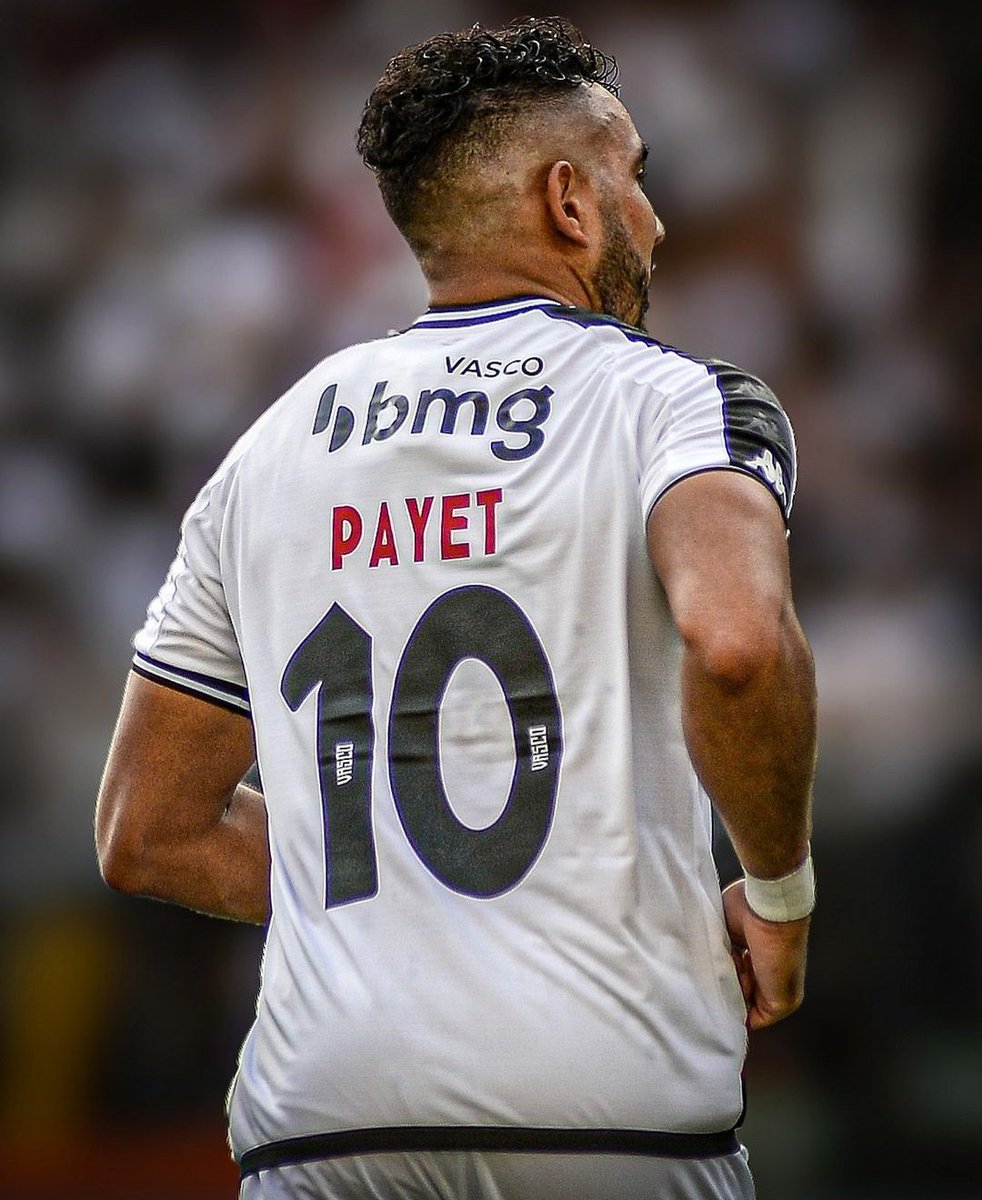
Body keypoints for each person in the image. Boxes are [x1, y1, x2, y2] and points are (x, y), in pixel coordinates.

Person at [95, 17, 817, 1200]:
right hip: (609, 1110)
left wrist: (403, 907)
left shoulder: (268, 446)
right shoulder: (677, 404)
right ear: (569, 201)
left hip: (323, 1121)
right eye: (634, 178)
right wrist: (779, 895)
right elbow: (737, 645)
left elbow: (145, 830)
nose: (653, 219)